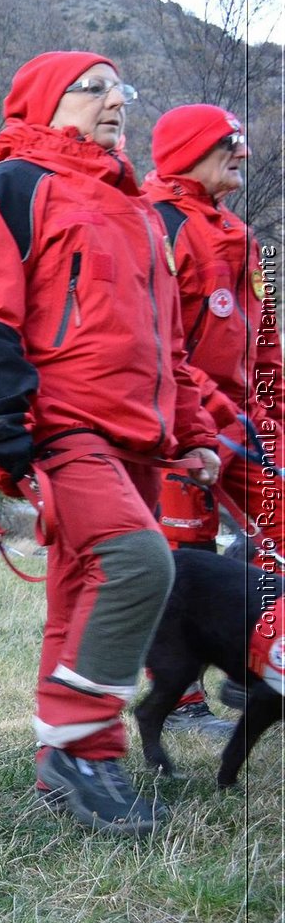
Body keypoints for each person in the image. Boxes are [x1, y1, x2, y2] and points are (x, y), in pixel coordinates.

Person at [0, 51, 219, 836]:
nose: (114, 101)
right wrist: (7, 437)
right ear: (41, 105)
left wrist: (195, 435)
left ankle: (68, 770)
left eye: (119, 89)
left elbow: (170, 343)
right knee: (140, 563)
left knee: (79, 596)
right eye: (92, 89)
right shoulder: (12, 189)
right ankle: (78, 750)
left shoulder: (135, 209)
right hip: (60, 427)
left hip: (138, 439)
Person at [145, 104, 272, 736]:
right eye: (229, 143)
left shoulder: (241, 235)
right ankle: (182, 698)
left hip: (242, 419)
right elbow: (161, 345)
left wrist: (268, 411)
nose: (243, 154)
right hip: (179, 417)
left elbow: (258, 340)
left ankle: (258, 667)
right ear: (190, 150)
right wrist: (214, 418)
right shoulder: (156, 224)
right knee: (180, 551)